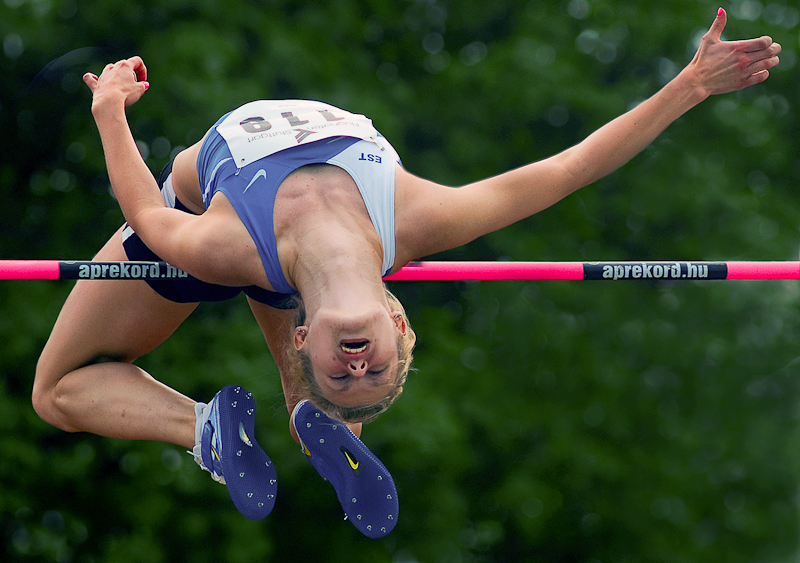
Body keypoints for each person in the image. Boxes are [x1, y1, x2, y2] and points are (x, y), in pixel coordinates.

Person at [31, 8, 780, 533]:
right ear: (398, 321)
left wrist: (110, 112)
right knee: (285, 285)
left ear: (304, 340)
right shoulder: (422, 219)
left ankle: (204, 430)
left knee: (59, 389)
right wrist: (690, 85)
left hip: (208, 210)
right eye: (373, 374)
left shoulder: (217, 246)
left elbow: (146, 209)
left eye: (343, 373)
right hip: (279, 256)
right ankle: (303, 410)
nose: (356, 367)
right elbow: (571, 165)